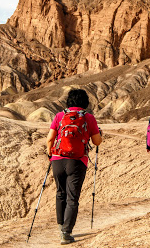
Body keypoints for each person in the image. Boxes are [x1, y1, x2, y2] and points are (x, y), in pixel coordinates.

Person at [46, 89, 102, 245]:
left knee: (60, 193)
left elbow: (50, 138)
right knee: (72, 197)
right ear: (85, 102)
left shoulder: (59, 116)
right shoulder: (88, 117)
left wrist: (50, 155)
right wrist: (99, 135)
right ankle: (66, 232)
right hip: (77, 161)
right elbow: (97, 141)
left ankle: (60, 227)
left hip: (57, 160)